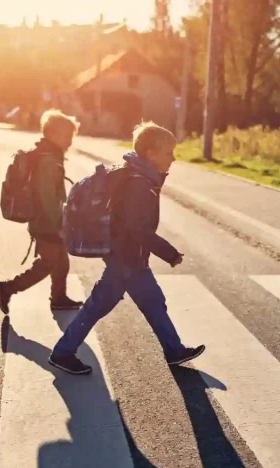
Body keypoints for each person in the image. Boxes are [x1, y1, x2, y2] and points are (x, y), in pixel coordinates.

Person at [48, 121, 204, 375]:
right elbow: (137, 228)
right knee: (99, 305)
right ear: (150, 154)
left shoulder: (139, 177)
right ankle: (63, 352)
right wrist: (169, 253)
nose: (173, 159)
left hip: (129, 257)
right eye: (168, 153)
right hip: (126, 258)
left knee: (153, 302)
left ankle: (174, 350)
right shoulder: (139, 184)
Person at [0, 109, 83, 314]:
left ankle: (59, 297)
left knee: (61, 260)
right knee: (48, 263)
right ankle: (8, 288)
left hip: (46, 218)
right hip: (45, 221)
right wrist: (58, 225)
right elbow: (46, 196)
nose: (70, 142)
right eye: (68, 137)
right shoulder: (48, 160)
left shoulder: (48, 154)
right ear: (53, 134)